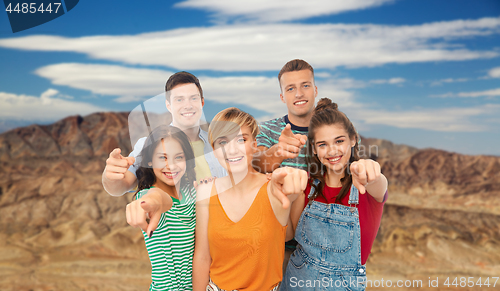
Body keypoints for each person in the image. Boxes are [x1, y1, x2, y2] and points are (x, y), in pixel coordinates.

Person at [192, 108, 307, 291]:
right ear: (214, 151)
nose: (232, 149)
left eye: (241, 140)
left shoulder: (274, 189)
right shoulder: (206, 191)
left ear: (254, 144)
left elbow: (288, 231)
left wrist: (295, 181)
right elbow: (202, 256)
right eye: (223, 141)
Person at [280, 98, 388, 291]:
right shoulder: (306, 185)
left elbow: (378, 181)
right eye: (323, 144)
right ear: (314, 148)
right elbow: (287, 235)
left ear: (353, 139)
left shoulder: (367, 186)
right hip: (297, 281)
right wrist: (287, 197)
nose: (332, 151)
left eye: (339, 141)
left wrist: (372, 171)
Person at [103, 71, 226, 196]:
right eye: (179, 99)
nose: (188, 105)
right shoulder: (150, 144)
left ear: (202, 102)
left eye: (193, 98)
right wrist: (111, 176)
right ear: (168, 105)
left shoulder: (220, 144)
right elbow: (120, 186)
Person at [252, 59, 318, 270]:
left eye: (305, 85)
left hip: (324, 249)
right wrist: (277, 152)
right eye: (291, 88)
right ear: (282, 96)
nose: (299, 93)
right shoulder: (269, 130)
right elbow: (256, 162)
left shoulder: (336, 131)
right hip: (279, 248)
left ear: (315, 89)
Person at [125, 125, 197, 291]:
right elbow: (158, 199)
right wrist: (151, 201)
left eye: (178, 157)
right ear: (150, 161)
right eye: (163, 158)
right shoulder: (148, 195)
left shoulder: (191, 191)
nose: (171, 166)